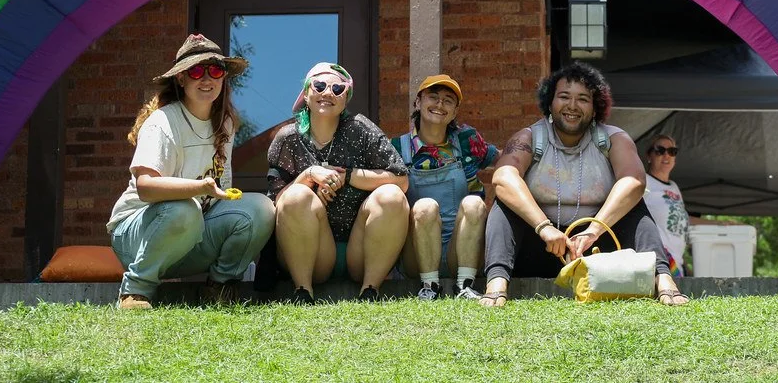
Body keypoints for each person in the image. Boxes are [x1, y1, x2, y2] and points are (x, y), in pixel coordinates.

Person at [481, 62, 689, 307]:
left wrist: (593, 231)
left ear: (595, 109)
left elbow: (634, 181)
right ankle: (496, 283)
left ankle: (663, 278)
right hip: (543, 246)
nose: (572, 106)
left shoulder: (613, 139)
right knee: (504, 204)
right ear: (550, 103)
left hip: (594, 249)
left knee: (634, 206)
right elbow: (503, 177)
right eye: (564, 97)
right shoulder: (529, 137)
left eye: (582, 99)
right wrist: (545, 228)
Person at [107, 34, 275, 309]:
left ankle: (220, 287)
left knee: (260, 208)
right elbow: (147, 187)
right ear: (181, 79)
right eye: (196, 71)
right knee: (184, 209)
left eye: (215, 70)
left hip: (191, 232)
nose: (206, 79)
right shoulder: (162, 122)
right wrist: (199, 188)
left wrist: (208, 195)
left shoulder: (226, 123)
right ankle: (136, 291)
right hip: (137, 237)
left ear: (223, 78)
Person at [267, 62, 409, 304]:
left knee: (391, 195)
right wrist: (310, 175)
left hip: (360, 249)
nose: (327, 93)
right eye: (319, 86)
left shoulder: (361, 130)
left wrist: (349, 176)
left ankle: (370, 291)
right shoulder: (288, 138)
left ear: (346, 99)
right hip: (311, 253)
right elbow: (278, 204)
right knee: (296, 197)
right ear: (306, 95)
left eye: (337, 89)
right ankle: (303, 292)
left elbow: (401, 179)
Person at [393, 74, 498, 300]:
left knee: (474, 203)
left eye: (448, 100)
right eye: (433, 97)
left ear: (455, 111)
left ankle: (466, 286)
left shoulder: (466, 140)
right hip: (416, 254)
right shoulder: (397, 149)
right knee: (425, 206)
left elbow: (505, 161)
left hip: (462, 250)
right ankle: (429, 288)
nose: (440, 104)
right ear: (418, 102)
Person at [644, 133, 738, 277]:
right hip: (659, 257)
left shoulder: (673, 186)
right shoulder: (643, 181)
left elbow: (684, 219)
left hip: (677, 260)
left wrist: (719, 223)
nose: (667, 155)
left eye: (672, 151)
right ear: (649, 156)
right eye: (660, 150)